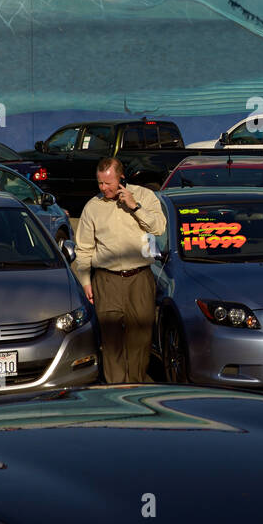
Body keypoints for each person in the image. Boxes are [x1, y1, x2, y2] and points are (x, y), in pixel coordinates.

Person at [73, 158, 167, 383]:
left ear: (121, 178)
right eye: (100, 183)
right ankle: (116, 388)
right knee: (111, 340)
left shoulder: (144, 196)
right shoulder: (92, 207)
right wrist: (86, 281)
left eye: (108, 183)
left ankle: (136, 385)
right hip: (107, 280)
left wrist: (135, 207)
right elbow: (84, 248)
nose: (103, 188)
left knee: (140, 338)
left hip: (140, 278)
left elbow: (159, 227)